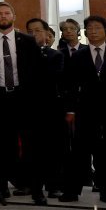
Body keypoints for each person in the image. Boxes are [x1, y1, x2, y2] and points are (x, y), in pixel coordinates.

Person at [0, 3, 45, 205]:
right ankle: (1, 189)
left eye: (7, 13)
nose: (3, 16)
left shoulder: (28, 42)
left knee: (32, 146)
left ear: (14, 16)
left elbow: (37, 74)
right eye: (0, 13)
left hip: (24, 100)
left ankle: (36, 191)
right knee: (1, 148)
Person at [59, 15, 106, 204]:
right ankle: (72, 191)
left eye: (97, 28)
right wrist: (71, 110)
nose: (93, 31)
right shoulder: (78, 56)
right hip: (85, 111)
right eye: (89, 28)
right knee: (79, 152)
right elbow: (70, 86)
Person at [26, 17, 66, 198]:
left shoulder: (55, 55)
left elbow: (51, 79)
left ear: (46, 34)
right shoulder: (22, 54)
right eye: (30, 31)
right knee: (32, 149)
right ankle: (33, 185)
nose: (34, 34)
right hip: (30, 110)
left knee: (53, 149)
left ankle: (53, 184)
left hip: (51, 109)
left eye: (37, 30)